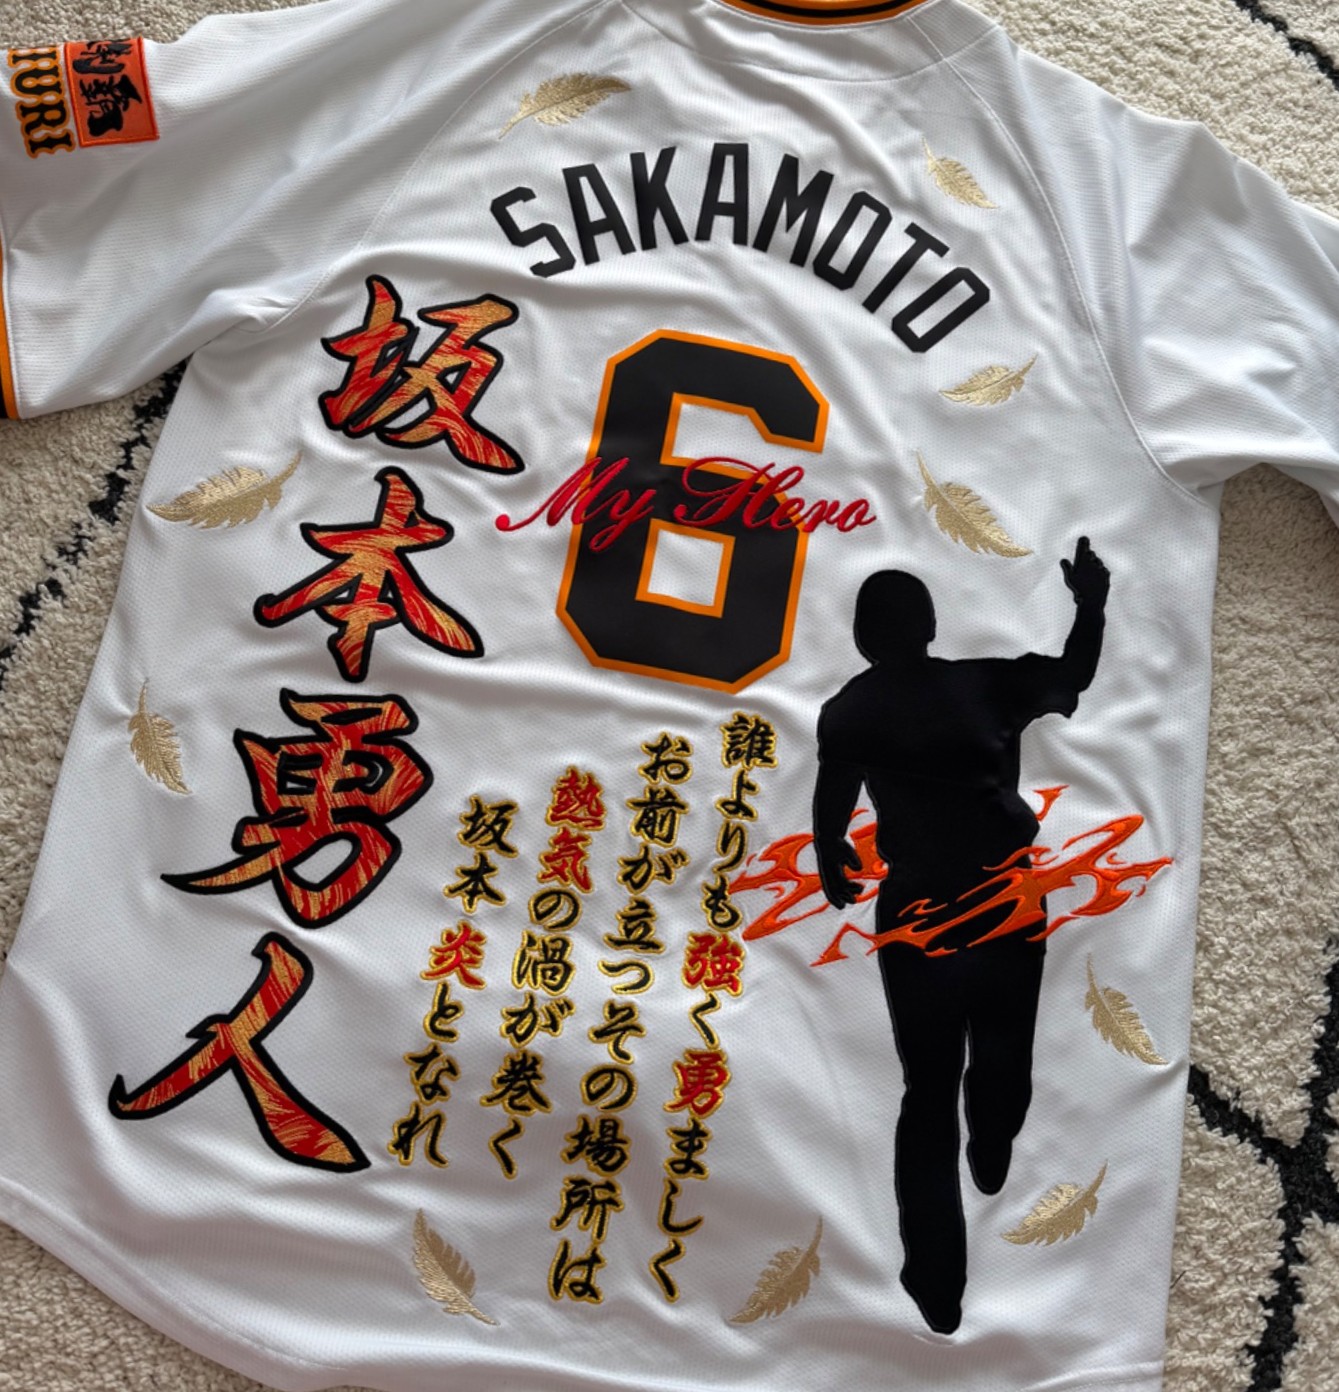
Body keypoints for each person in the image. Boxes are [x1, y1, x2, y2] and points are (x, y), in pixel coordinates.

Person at [812, 537, 1109, 1334]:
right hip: (993, 897)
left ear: (863, 636)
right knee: (989, 1058)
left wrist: (830, 852)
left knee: (935, 1085)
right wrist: (1090, 605)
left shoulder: (850, 709)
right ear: (928, 625)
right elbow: (1072, 675)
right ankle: (984, 1160)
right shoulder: (981, 683)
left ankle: (937, 1267)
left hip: (924, 907)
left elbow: (832, 804)